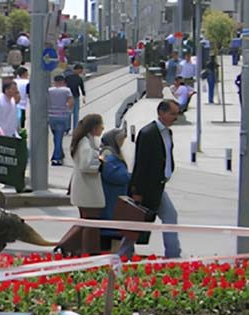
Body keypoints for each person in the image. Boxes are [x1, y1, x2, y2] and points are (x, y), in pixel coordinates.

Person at [128, 100, 182, 258]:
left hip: (159, 185)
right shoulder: (148, 133)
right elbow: (140, 164)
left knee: (170, 216)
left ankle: (173, 255)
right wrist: (136, 191)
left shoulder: (168, 133)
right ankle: (124, 253)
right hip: (146, 188)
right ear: (161, 113)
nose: (175, 117)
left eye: (176, 114)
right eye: (172, 114)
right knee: (136, 222)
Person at [68, 114, 106, 255]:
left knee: (87, 222)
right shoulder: (84, 143)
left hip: (85, 189)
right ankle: (79, 249)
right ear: (94, 127)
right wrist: (100, 163)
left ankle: (79, 250)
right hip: (87, 190)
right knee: (89, 223)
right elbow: (86, 165)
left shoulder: (86, 141)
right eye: (101, 125)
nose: (103, 128)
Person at [98, 128, 137, 259]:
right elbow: (116, 175)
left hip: (115, 197)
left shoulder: (110, 153)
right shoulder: (109, 155)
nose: (122, 143)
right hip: (112, 198)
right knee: (114, 233)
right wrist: (129, 176)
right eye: (120, 140)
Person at [47, 74, 73, 166]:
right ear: (63, 82)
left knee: (56, 137)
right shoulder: (67, 90)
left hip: (51, 117)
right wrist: (68, 111)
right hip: (62, 116)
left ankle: (60, 154)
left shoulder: (49, 90)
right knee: (59, 137)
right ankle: (56, 158)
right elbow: (70, 102)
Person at [64, 64, 86, 131]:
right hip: (74, 97)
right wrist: (84, 96)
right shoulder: (79, 78)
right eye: (80, 70)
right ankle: (75, 128)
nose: (81, 72)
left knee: (69, 113)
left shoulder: (68, 77)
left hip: (70, 97)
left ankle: (67, 128)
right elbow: (82, 89)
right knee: (75, 113)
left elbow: (64, 86)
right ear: (76, 70)